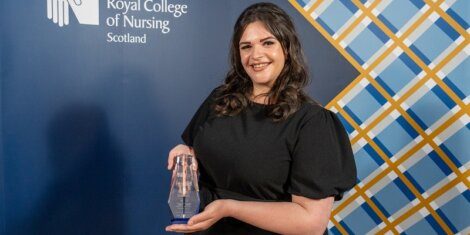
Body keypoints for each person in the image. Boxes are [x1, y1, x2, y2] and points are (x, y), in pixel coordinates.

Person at [166, 2, 357, 234]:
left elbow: (311, 223)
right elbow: (202, 153)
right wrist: (186, 154)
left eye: (267, 43)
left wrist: (230, 208)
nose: (255, 55)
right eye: (246, 46)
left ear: (287, 48)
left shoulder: (313, 123)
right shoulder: (220, 100)